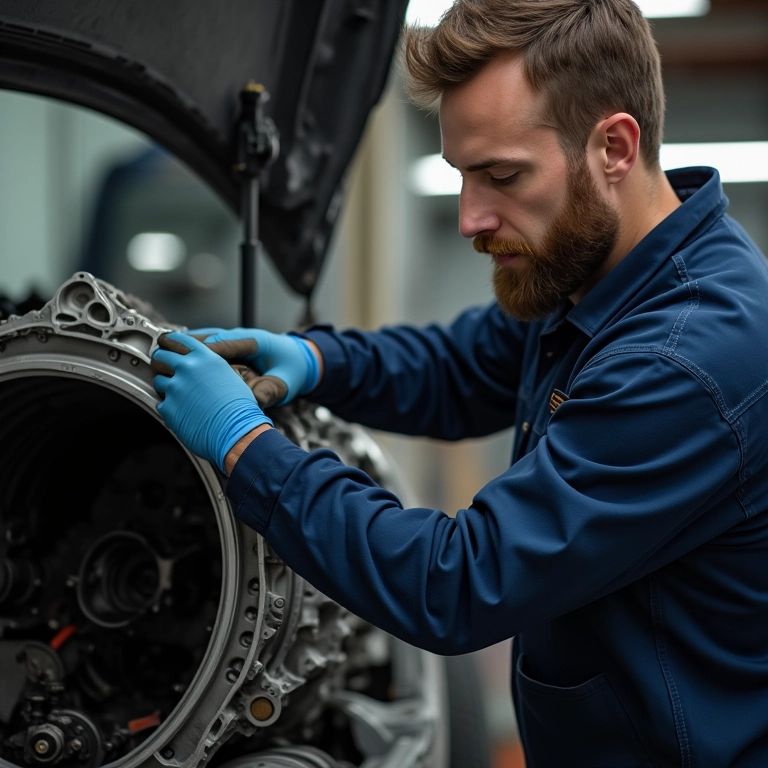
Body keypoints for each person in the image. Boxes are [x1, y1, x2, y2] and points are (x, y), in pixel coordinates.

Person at [150, 1, 768, 764]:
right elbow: (464, 365)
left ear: (613, 146)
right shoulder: (597, 276)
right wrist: (318, 360)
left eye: (501, 174)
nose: (472, 216)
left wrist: (246, 447)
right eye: (462, 175)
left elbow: (458, 584)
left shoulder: (685, 362)